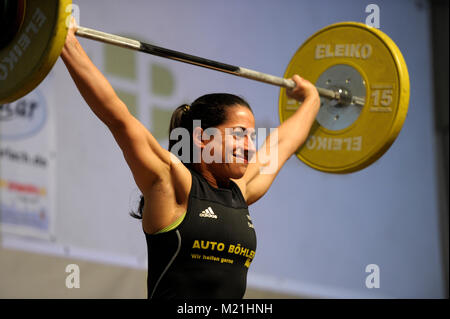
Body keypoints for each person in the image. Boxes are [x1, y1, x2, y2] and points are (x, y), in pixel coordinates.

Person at [61, 21, 320, 299]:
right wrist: (66, 43)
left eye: (251, 137)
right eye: (239, 135)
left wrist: (312, 100)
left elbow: (281, 143)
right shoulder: (172, 184)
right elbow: (119, 118)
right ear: (202, 138)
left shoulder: (240, 190)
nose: (249, 147)